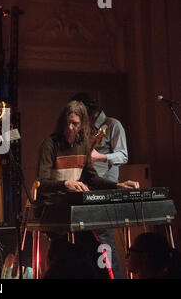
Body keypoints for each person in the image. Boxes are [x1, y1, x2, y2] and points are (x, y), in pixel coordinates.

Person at [35, 100, 139, 279]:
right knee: (65, 256)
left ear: (82, 124)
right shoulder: (50, 144)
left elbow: (92, 178)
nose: (69, 127)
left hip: (74, 208)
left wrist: (117, 186)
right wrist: (66, 184)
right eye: (67, 122)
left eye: (74, 123)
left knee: (92, 252)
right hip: (52, 207)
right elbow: (42, 183)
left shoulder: (83, 146)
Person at [69, 93, 128, 279]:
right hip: (86, 188)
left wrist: (99, 156)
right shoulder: (83, 129)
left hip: (105, 188)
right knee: (84, 239)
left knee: (104, 240)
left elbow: (123, 156)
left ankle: (113, 277)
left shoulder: (112, 125)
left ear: (92, 112)